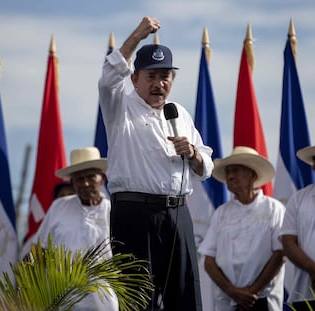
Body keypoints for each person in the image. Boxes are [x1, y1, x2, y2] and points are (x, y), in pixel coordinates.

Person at [98, 16, 214, 310]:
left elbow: (207, 166)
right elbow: (109, 76)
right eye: (150, 76)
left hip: (178, 216)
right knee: (138, 301)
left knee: (187, 298)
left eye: (165, 76)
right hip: (135, 216)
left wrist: (194, 154)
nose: (159, 83)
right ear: (134, 79)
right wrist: (138, 34)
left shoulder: (180, 113)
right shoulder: (120, 107)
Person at [199, 146, 285, 311]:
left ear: (252, 174)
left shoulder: (274, 209)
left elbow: (280, 254)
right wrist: (232, 291)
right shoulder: (221, 213)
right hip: (227, 302)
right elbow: (209, 261)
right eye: (228, 172)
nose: (230, 176)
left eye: (236, 170)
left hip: (262, 301)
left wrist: (252, 292)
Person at [32, 146, 118, 311]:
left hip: (106, 300)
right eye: (79, 179)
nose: (85, 183)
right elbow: (39, 251)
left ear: (102, 178)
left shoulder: (114, 210)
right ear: (72, 183)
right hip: (63, 299)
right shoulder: (59, 206)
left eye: (91, 177)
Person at [280, 145, 315, 310]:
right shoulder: (299, 199)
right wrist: (312, 268)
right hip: (305, 293)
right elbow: (288, 241)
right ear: (314, 165)